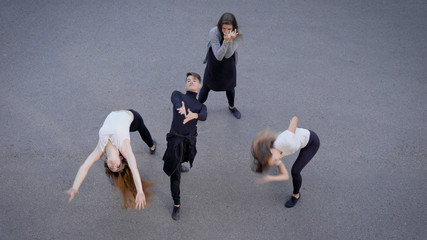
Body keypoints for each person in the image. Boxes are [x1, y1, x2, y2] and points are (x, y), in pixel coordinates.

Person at [65, 109, 156, 210]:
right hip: (133, 118)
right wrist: (140, 192)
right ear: (121, 157)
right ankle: (152, 146)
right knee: (141, 128)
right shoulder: (124, 147)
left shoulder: (100, 149)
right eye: (117, 166)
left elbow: (84, 167)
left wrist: (75, 187)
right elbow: (134, 170)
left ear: (106, 161)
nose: (113, 165)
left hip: (116, 113)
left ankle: (151, 145)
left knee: (143, 130)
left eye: (111, 167)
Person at [163, 72, 207, 220]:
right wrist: (179, 108)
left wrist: (194, 116)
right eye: (188, 80)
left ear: (199, 85)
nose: (191, 82)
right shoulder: (179, 95)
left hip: (189, 141)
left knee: (183, 159)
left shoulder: (201, 106)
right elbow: (174, 98)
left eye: (194, 80)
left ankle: (180, 164)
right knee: (175, 176)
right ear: (185, 84)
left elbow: (204, 115)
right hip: (175, 141)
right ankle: (177, 204)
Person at [251, 116, 320, 208]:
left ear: (270, 151)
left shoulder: (286, 141)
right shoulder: (275, 153)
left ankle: (296, 195)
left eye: (275, 160)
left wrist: (292, 123)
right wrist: (270, 178)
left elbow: (295, 118)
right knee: (288, 167)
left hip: (311, 142)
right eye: (275, 161)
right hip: (299, 142)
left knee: (295, 171)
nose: (278, 160)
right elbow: (285, 176)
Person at [198, 12, 242, 119]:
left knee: (230, 88)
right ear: (220, 26)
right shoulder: (214, 32)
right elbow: (218, 56)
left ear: (234, 28)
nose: (226, 32)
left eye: (229, 29)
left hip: (228, 65)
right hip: (215, 63)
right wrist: (227, 41)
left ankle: (231, 107)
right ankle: (198, 106)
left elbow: (228, 55)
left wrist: (229, 40)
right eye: (224, 28)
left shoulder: (237, 33)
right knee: (207, 86)